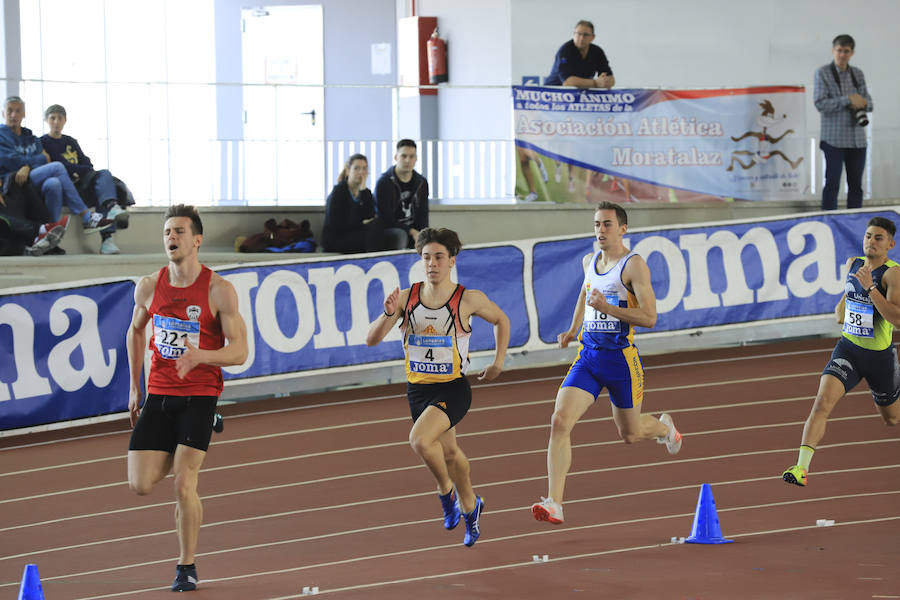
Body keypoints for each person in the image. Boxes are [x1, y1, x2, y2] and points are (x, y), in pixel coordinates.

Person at [531, 201, 682, 524]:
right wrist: (573, 329)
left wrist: (609, 308)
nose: (600, 230)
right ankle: (554, 502)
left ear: (622, 229)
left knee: (629, 434)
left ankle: (664, 428)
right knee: (559, 421)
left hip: (621, 362)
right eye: (597, 224)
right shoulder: (590, 260)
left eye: (607, 225)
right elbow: (587, 293)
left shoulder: (634, 266)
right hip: (588, 358)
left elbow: (650, 317)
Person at [126, 204, 247, 592]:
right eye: (166, 232)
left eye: (179, 231)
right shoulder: (149, 286)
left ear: (197, 240)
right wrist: (135, 386)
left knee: (184, 482)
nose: (171, 238)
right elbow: (135, 331)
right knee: (140, 485)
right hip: (160, 392)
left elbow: (240, 351)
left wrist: (203, 356)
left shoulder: (218, 290)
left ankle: (186, 566)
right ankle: (188, 442)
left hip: (200, 393)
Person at [366, 227, 510, 546]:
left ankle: (447, 494)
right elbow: (371, 339)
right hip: (418, 391)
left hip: (453, 388)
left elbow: (502, 320)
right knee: (450, 452)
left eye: (439, 257)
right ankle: (472, 507)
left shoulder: (467, 299)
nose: (432, 263)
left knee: (419, 441)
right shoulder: (406, 298)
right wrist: (388, 314)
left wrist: (499, 361)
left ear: (452, 261)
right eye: (426, 257)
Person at [783, 216, 900, 487]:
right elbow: (846, 300)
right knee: (822, 402)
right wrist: (842, 306)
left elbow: (896, 319)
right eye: (868, 236)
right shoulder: (853, 265)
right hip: (848, 349)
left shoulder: (893, 274)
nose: (871, 241)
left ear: (890, 244)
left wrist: (871, 287)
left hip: (879, 358)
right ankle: (801, 468)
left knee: (892, 419)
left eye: (878, 238)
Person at [0, 96, 112, 235]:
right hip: (13, 180)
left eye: (18, 111)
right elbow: (9, 161)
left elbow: (44, 160)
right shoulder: (1, 135)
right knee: (57, 167)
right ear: (3, 113)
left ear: (24, 114)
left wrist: (28, 166)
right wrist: (33, 161)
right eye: (10, 110)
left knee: (54, 184)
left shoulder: (30, 137)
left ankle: (50, 234)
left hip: (32, 177)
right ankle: (86, 216)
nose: (13, 115)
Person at [41, 104, 130, 254]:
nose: (56, 122)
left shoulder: (71, 141)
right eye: (52, 118)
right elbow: (59, 165)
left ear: (65, 120)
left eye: (60, 118)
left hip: (80, 186)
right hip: (65, 190)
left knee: (105, 175)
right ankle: (107, 219)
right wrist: (77, 170)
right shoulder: (43, 141)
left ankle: (108, 234)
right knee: (100, 182)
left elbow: (88, 165)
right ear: (47, 120)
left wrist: (75, 171)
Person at [814, 34, 873, 211]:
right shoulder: (823, 73)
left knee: (856, 185)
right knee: (832, 183)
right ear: (833, 50)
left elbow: (869, 103)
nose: (842, 55)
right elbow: (820, 103)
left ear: (852, 53)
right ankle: (828, 222)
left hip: (857, 140)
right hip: (834, 139)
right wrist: (848, 100)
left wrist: (860, 102)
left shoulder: (857, 74)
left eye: (846, 51)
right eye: (839, 50)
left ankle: (854, 222)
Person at [321, 153, 386, 253]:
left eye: (364, 168)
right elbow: (336, 224)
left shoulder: (366, 193)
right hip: (338, 238)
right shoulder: (339, 191)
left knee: (378, 225)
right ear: (348, 171)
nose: (361, 172)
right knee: (370, 234)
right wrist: (361, 223)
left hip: (356, 234)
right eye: (356, 168)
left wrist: (363, 188)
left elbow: (370, 215)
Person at [375, 139, 429, 249]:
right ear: (396, 157)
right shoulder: (384, 182)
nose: (407, 160)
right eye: (403, 156)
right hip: (390, 230)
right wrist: (410, 231)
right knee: (401, 235)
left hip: (413, 230)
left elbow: (423, 213)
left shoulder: (421, 182)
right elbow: (385, 218)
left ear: (416, 158)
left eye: (411, 156)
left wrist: (422, 233)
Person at [544, 20, 615, 89]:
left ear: (592, 37)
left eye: (585, 35)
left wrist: (606, 82)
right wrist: (596, 83)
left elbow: (610, 78)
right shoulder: (565, 50)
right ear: (574, 34)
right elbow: (568, 83)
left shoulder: (597, 51)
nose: (581, 38)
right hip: (553, 92)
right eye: (578, 34)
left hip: (581, 92)